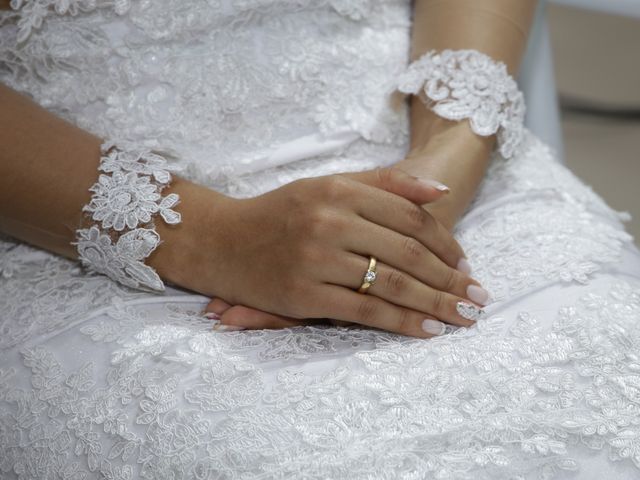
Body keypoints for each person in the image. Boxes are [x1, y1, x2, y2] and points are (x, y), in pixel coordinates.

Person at [0, 0, 639, 478]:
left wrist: (436, 172)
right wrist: (210, 240)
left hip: (435, 162)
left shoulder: (434, 176)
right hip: (84, 211)